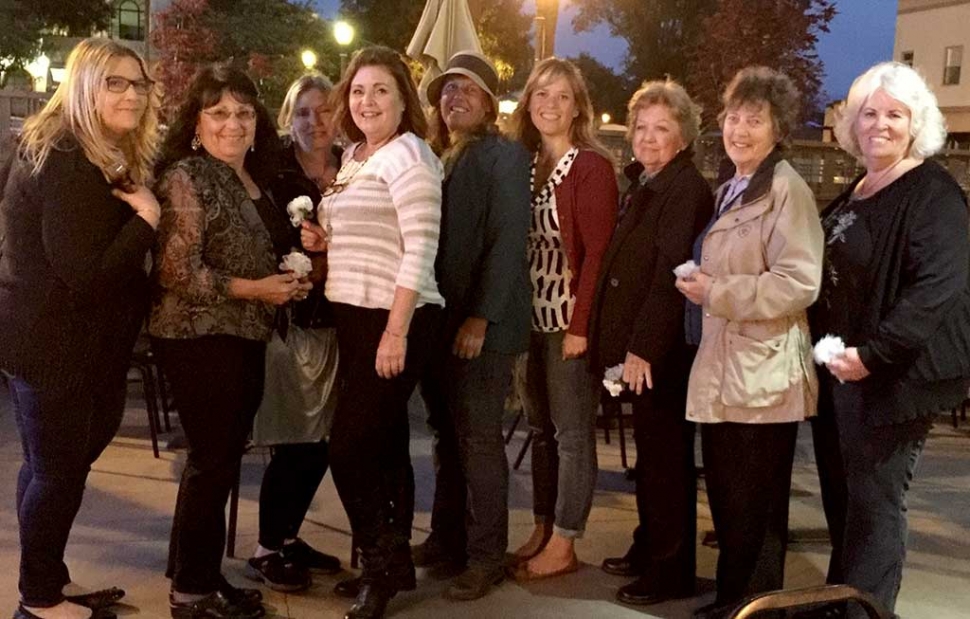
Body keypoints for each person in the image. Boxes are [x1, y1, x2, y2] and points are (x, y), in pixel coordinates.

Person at [0, 38, 160, 619]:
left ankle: (45, 581)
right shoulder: (66, 153)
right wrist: (148, 219)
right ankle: (39, 601)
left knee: (48, 469)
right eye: (115, 82)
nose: (132, 94)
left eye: (138, 83)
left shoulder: (91, 151)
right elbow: (85, 275)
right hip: (53, 344)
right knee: (56, 472)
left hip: (68, 343)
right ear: (84, 86)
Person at [150, 65, 311, 619]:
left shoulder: (252, 177)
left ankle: (197, 572)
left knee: (216, 461)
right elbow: (176, 273)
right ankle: (191, 595)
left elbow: (259, 254)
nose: (233, 123)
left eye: (243, 112)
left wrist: (290, 278)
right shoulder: (186, 177)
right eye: (218, 112)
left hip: (242, 333)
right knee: (213, 461)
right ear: (196, 121)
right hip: (198, 335)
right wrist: (255, 289)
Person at [811, 61, 970, 618]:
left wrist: (873, 356)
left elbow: (938, 289)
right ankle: (840, 601)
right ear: (853, 124)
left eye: (895, 114)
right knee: (849, 499)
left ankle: (867, 612)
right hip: (845, 368)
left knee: (877, 504)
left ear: (916, 123)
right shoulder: (859, 187)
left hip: (895, 375)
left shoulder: (932, 192)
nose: (880, 124)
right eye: (869, 113)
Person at [674, 66, 823, 619]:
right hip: (731, 369)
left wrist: (717, 290)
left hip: (764, 376)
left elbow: (797, 282)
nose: (739, 129)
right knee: (731, 500)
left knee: (755, 507)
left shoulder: (786, 188)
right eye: (734, 117)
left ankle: (757, 608)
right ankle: (736, 601)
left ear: (777, 128)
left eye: (754, 120)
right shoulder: (735, 185)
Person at [300, 46, 444, 619]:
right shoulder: (356, 155)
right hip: (354, 314)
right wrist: (325, 241)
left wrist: (396, 332)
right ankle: (394, 562)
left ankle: (380, 569)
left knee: (349, 447)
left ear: (403, 98)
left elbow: (420, 250)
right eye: (359, 91)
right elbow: (366, 234)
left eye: (381, 90)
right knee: (382, 446)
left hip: (397, 316)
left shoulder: (411, 156)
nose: (367, 101)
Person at [411, 51, 531, 600]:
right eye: (445, 90)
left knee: (479, 441)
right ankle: (447, 538)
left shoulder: (503, 157)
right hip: (440, 322)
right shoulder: (441, 154)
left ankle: (486, 556)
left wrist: (481, 316)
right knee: (447, 436)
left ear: (487, 102)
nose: (452, 97)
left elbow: (507, 242)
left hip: (480, 327)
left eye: (465, 89)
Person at [589, 80, 713, 605]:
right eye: (641, 127)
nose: (648, 137)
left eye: (662, 128)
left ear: (683, 136)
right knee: (651, 458)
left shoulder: (684, 189)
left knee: (666, 462)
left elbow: (670, 271)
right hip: (639, 350)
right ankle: (649, 545)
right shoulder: (648, 182)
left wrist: (642, 347)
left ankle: (671, 568)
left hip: (659, 354)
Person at [505, 57, 618, 580]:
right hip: (526, 320)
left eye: (561, 96)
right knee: (540, 430)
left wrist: (580, 327)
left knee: (572, 434)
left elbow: (598, 254)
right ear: (528, 104)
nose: (549, 105)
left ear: (578, 108)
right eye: (540, 95)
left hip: (567, 320)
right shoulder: (523, 162)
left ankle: (566, 540)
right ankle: (544, 526)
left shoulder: (590, 166)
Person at [245, 74, 342, 592]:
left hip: (344, 321)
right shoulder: (274, 174)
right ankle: (266, 547)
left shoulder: (353, 165)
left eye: (325, 110)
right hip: (294, 325)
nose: (316, 121)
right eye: (304, 112)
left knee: (324, 441)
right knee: (296, 440)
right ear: (290, 117)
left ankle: (286, 536)